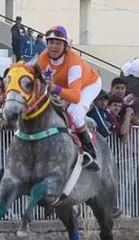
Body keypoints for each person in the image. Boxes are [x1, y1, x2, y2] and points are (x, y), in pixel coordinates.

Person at [35, 25, 103, 170]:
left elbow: (75, 96)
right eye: (51, 42)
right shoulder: (42, 58)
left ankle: (90, 153)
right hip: (64, 86)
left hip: (88, 84)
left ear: (65, 45)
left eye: (58, 43)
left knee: (75, 112)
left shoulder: (73, 62)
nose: (53, 47)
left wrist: (55, 89)